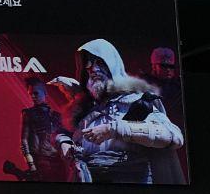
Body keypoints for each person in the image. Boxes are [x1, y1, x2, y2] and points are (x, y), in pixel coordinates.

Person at [57, 39, 186, 185]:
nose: (94, 69)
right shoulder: (85, 108)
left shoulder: (137, 101)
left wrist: (114, 129)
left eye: (100, 63)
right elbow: (63, 132)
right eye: (88, 64)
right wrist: (64, 142)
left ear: (112, 64)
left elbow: (173, 136)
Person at [14, 77, 73, 182]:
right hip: (41, 162)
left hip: (58, 163)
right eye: (30, 94)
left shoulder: (56, 115)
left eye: (35, 93)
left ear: (45, 93)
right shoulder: (28, 114)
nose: (32, 96)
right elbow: (24, 141)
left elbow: (63, 137)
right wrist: (31, 165)